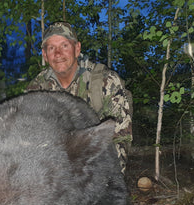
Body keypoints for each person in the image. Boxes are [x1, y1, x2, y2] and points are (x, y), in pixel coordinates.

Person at [27, 21, 132, 172]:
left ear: (77, 49)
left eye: (64, 46)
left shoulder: (105, 82)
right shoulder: (36, 90)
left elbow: (120, 139)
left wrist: (103, 181)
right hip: (54, 169)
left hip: (95, 165)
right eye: (51, 48)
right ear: (45, 55)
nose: (58, 54)